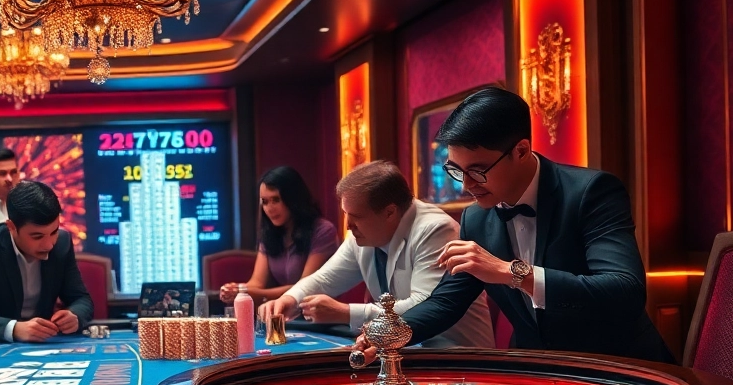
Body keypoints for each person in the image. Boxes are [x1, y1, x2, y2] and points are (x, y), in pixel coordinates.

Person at [353, 87, 675, 363]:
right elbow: (446, 301)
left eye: (477, 170)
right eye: (456, 170)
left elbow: (624, 291)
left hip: (620, 367)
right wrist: (389, 332)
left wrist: (511, 273)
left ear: (520, 151)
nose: (467, 185)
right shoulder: (475, 217)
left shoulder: (591, 192)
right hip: (536, 370)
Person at [258, 161, 493, 348]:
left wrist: (346, 313)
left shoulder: (434, 229)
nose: (348, 225)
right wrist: (290, 299)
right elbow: (324, 279)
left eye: (356, 217)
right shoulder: (366, 234)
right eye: (346, 215)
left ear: (389, 212)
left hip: (456, 355)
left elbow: (424, 307)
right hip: (406, 352)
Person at [0, 180, 94, 343]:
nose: (49, 244)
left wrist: (74, 316)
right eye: (37, 236)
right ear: (11, 227)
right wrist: (14, 329)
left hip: (46, 345)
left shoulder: (62, 242)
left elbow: (82, 300)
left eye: (54, 232)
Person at [220, 166, 338, 304]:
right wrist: (235, 289)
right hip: (282, 315)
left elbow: (306, 287)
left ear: (293, 199)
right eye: (265, 202)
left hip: (317, 315)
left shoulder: (323, 231)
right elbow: (257, 283)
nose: (269, 208)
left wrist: (246, 293)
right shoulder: (270, 233)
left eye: (276, 200)